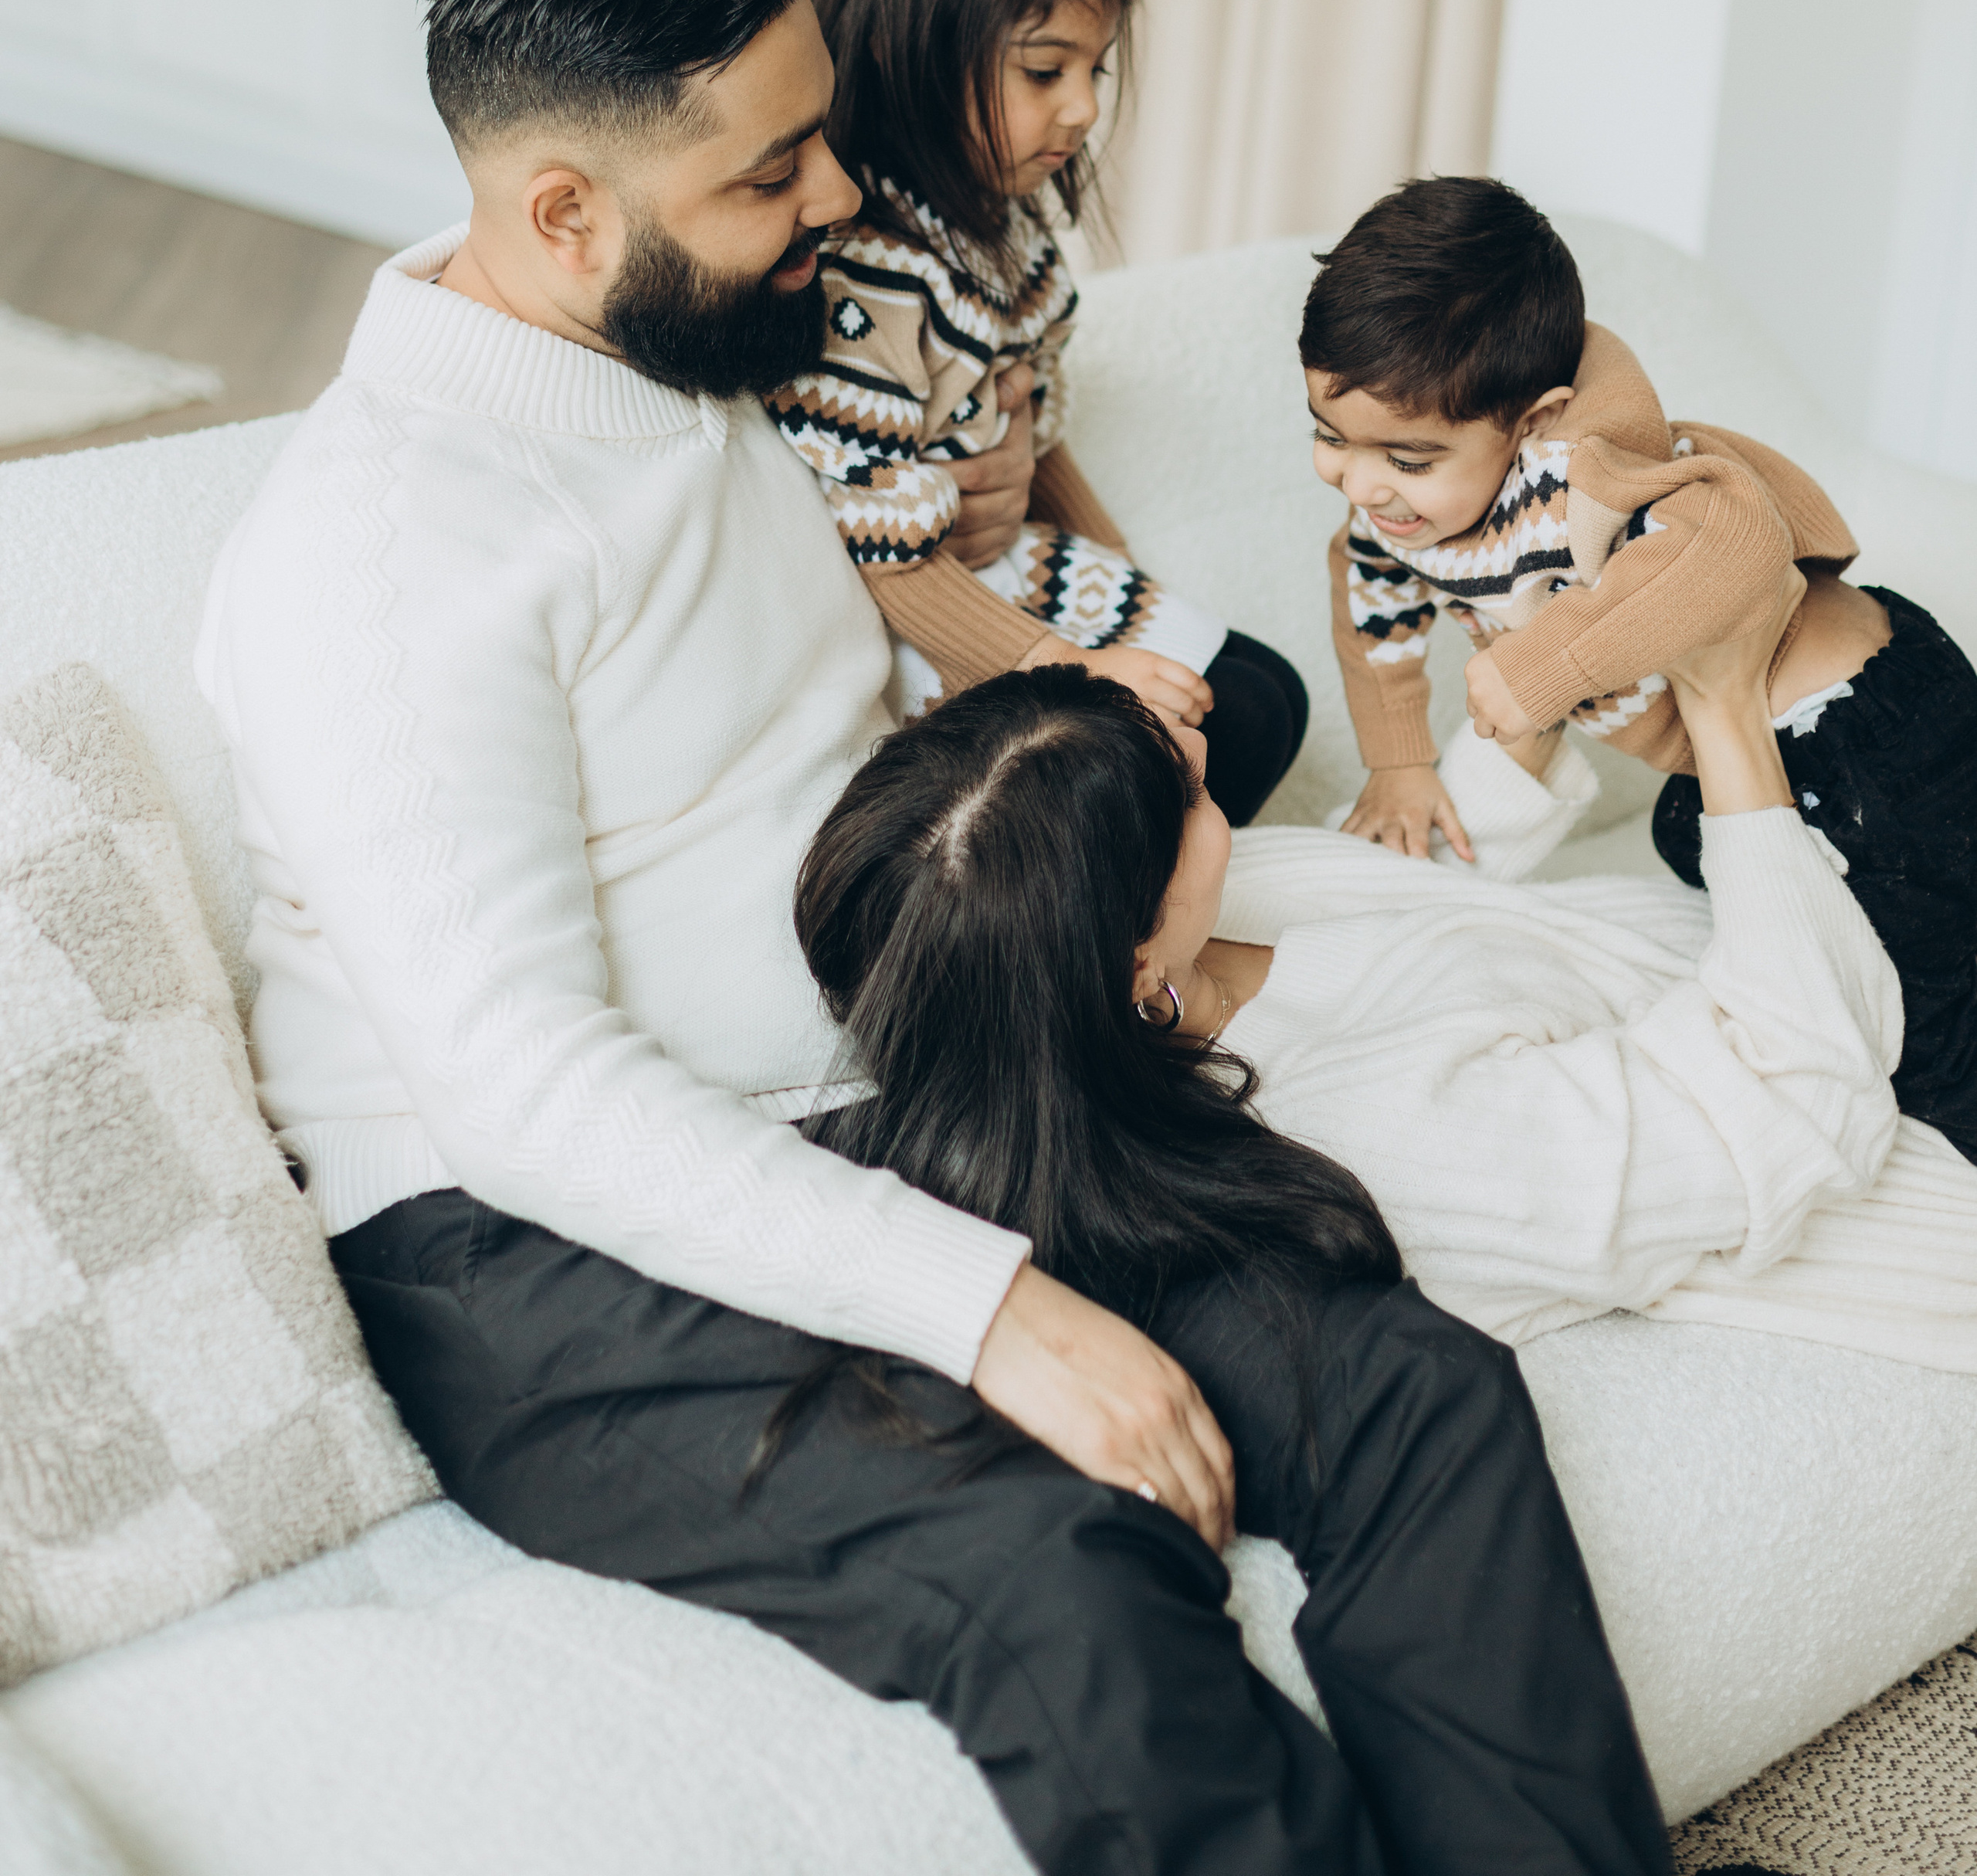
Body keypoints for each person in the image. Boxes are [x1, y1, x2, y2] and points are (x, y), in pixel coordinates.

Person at [198, 0, 1669, 1876]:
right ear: (563, 215)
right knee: (1069, 1572)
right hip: (519, 1238)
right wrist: (991, 1313)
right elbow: (519, 1092)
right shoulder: (377, 560)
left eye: (816, 138)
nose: (837, 198)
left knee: (1409, 1387)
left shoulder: (702, 350)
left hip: (875, 1102)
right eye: (774, 172)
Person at [795, 589, 1977, 1389]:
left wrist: (1537, 677)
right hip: (1913, 1125)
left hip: (1806, 955)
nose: (1196, 741)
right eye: (1191, 796)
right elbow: (1796, 1094)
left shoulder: (1172, 940)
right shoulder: (1382, 1138)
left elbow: (1418, 905)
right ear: (1134, 961)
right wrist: (1723, 719)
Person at [1304, 174, 1977, 1161]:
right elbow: (1371, 609)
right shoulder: (1396, 517)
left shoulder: (1586, 473)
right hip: (1745, 763)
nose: (1361, 486)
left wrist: (1544, 665)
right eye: (1328, 437)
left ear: (1533, 420)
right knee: (1693, 845)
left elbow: (1730, 541)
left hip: (1869, 735)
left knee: (1925, 1052)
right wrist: (1399, 759)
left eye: (1407, 461)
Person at [763, 0, 1307, 826]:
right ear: (904, 49)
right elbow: (889, 557)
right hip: (943, 634)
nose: (1085, 110)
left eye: (1096, 71)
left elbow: (1033, 434)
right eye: (1046, 71)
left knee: (1262, 699)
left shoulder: (996, 239)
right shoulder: (869, 281)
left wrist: (1129, 584)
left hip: (1018, 581)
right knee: (1229, 719)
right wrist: (1077, 669)